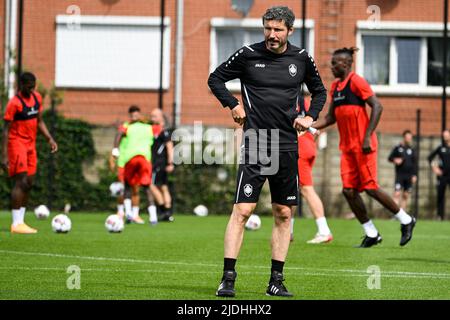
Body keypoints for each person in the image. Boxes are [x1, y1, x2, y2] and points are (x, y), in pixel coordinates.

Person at [208, 6, 326, 297]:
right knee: (243, 211)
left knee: (284, 213)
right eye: (268, 28)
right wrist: (232, 104)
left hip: (287, 146)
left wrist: (310, 117)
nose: (272, 35)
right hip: (258, 144)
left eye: (278, 30)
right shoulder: (248, 54)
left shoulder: (301, 58)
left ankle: (276, 281)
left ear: (290, 31)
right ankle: (228, 279)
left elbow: (320, 91)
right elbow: (215, 78)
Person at [313, 47, 416, 248]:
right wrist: (308, 125)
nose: (331, 66)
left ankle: (406, 220)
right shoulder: (335, 87)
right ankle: (371, 232)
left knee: (370, 187)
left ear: (346, 63)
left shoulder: (356, 82)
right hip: (348, 148)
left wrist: (367, 136)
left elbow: (377, 106)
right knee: (349, 191)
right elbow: (330, 117)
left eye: (335, 63)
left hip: (364, 146)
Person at [1, 72, 58, 234]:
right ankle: (16, 223)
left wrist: (49, 139)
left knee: (29, 182)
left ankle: (21, 222)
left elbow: (39, 121)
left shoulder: (37, 98)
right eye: (28, 86)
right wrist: (4, 155)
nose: (31, 89)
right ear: (21, 85)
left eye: (33, 86)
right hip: (16, 143)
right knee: (21, 181)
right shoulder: (14, 104)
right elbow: (5, 130)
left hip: (31, 145)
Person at [291, 96, 333, 244]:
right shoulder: (307, 102)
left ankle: (324, 230)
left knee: (306, 189)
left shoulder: (290, 99)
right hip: (308, 146)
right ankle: (288, 231)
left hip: (300, 148)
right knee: (291, 190)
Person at [112, 106, 154, 225]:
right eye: (132, 115)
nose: (134, 117)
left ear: (139, 115)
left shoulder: (144, 127)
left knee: (136, 189)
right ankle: (121, 212)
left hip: (135, 161)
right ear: (130, 116)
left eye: (136, 115)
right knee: (123, 188)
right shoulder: (126, 126)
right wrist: (115, 150)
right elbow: (118, 135)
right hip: (123, 162)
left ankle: (134, 214)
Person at [150, 108, 174, 222]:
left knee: (151, 185)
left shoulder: (163, 131)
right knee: (163, 187)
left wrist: (170, 163)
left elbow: (170, 147)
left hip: (158, 162)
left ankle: (163, 210)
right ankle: (168, 212)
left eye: (154, 116)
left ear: (161, 117)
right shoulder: (154, 129)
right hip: (159, 162)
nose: (152, 118)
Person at [388, 130, 417, 210]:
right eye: (407, 137)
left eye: (410, 138)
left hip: (409, 176)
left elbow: (415, 164)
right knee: (397, 194)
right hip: (400, 175)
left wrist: (414, 175)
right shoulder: (398, 148)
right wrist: (395, 160)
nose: (409, 139)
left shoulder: (412, 149)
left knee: (406, 195)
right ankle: (395, 213)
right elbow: (390, 158)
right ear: (404, 138)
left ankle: (403, 214)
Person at [428, 129, 450, 220]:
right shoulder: (441, 148)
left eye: (446, 135)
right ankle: (439, 216)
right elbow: (430, 158)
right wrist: (435, 168)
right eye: (443, 135)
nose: (445, 137)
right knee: (440, 196)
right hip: (442, 176)